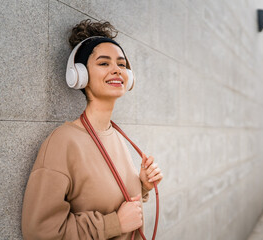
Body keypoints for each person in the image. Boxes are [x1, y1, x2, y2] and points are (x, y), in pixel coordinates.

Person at [22, 19, 163, 240]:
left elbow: (113, 198)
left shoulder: (116, 135)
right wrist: (114, 224)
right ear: (80, 75)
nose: (116, 70)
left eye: (122, 64)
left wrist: (142, 185)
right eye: (104, 63)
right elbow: (39, 232)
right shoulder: (63, 142)